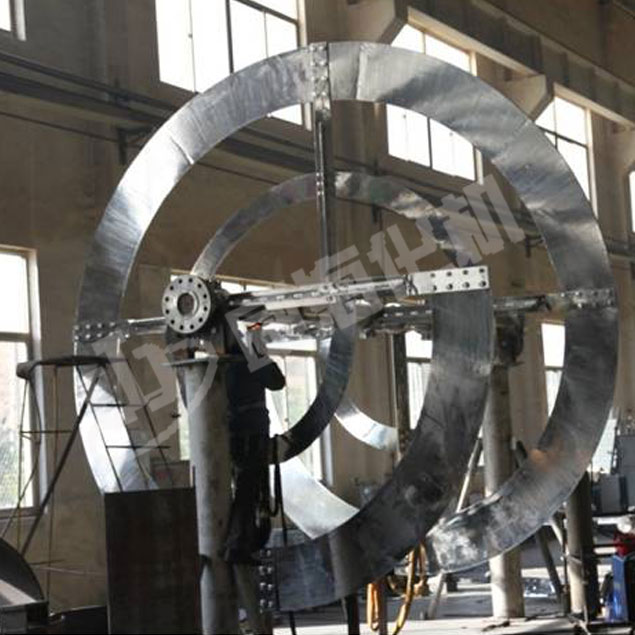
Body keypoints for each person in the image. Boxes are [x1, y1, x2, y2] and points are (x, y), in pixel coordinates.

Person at [223, 324, 285, 564]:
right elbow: (277, 381)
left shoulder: (221, 364)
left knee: (246, 489)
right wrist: (260, 354)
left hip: (235, 433)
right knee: (249, 490)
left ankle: (241, 542)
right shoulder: (248, 360)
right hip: (251, 432)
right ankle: (237, 544)